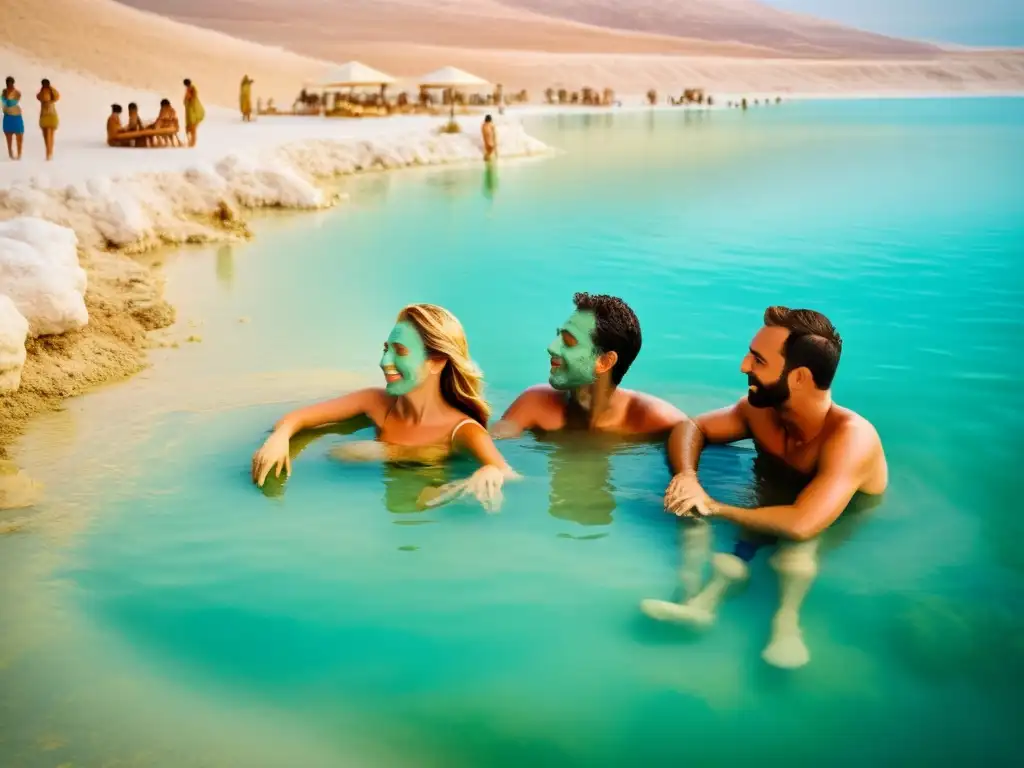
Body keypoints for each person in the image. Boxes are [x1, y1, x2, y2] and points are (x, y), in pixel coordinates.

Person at [643, 306, 888, 669]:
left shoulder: (851, 437)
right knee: (691, 507)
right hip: (775, 498)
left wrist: (712, 505)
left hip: (837, 514)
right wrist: (687, 477)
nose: (744, 366)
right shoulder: (760, 412)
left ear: (800, 377)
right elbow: (691, 428)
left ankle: (785, 623)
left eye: (758, 360)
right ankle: (699, 599)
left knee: (794, 556)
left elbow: (805, 521)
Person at [251, 303, 518, 511]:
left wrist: (490, 471)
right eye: (385, 349)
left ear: (437, 362)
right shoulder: (375, 402)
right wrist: (280, 436)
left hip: (429, 515)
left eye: (399, 352)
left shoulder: (463, 431)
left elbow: (512, 476)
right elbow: (300, 418)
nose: (384, 361)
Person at [493, 292, 687, 438]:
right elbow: (491, 446)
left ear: (604, 361)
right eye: (558, 337)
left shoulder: (652, 419)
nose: (552, 348)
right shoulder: (534, 403)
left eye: (568, 342)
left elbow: (696, 441)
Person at [2, 76, 24, 160]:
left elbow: (13, 101)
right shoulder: (4, 92)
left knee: (19, 135)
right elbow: (4, 102)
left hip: (16, 114)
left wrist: (8, 97)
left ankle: (19, 154)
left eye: (10, 83)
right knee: (8, 136)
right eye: (8, 83)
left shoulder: (17, 92)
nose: (9, 85)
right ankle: (10, 154)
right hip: (8, 115)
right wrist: (7, 96)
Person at [37, 78, 59, 161]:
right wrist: (43, 89)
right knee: (46, 136)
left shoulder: (52, 95)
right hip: (44, 116)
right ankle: (48, 152)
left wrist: (51, 88)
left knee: (50, 135)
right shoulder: (41, 94)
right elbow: (38, 97)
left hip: (51, 115)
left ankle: (49, 153)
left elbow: (57, 95)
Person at [183, 78, 204, 147]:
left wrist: (187, 99)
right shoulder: (189, 89)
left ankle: (192, 143)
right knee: (191, 129)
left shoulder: (192, 89)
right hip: (190, 111)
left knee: (193, 128)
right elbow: (187, 99)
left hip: (193, 112)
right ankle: (191, 142)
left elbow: (192, 98)